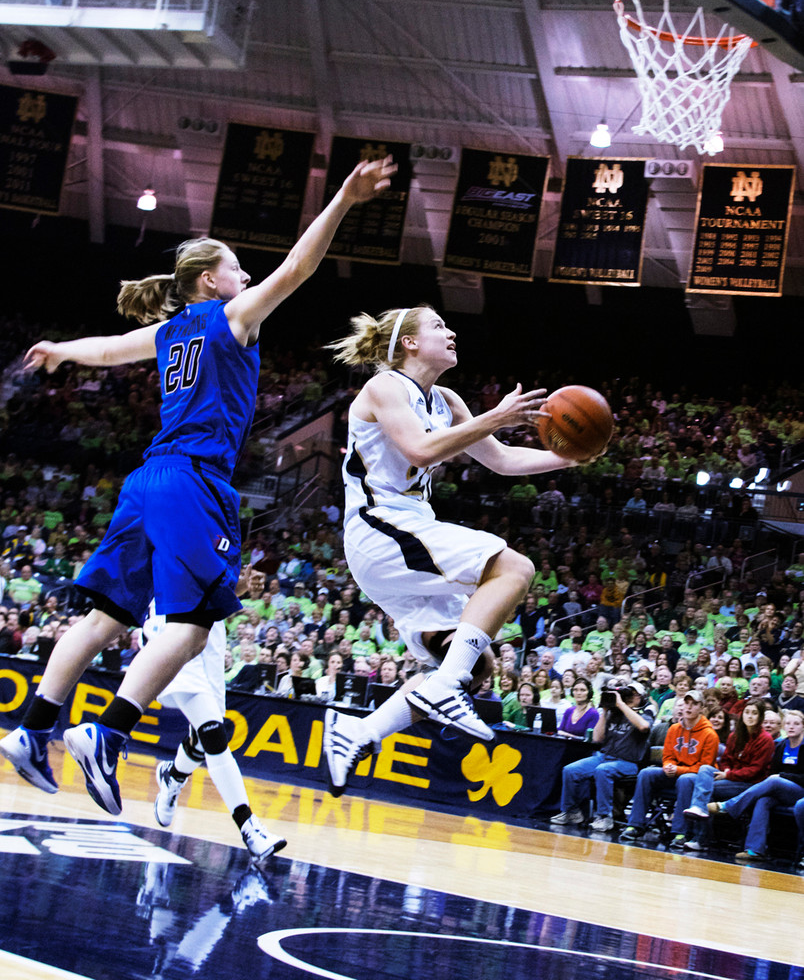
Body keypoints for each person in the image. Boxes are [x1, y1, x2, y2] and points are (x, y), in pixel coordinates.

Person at [0, 156, 396, 814]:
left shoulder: (168, 332)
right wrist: (345, 200)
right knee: (192, 627)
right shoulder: (227, 319)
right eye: (238, 269)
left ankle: (34, 728)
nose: (247, 278)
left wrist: (62, 350)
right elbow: (298, 267)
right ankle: (108, 733)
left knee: (103, 618)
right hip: (194, 481)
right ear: (213, 281)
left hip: (147, 479)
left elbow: (105, 349)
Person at [320, 305, 581, 795]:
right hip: (381, 525)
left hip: (405, 529)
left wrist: (567, 457)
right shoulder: (384, 387)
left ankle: (357, 732)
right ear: (409, 343)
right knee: (513, 568)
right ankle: (442, 689)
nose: (452, 330)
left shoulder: (446, 400)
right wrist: (494, 417)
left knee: (471, 664)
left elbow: (500, 460)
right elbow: (420, 450)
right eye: (438, 326)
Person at [146, 570, 286, 864]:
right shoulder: (177, 529)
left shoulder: (219, 532)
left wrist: (241, 584)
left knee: (200, 738)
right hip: (174, 628)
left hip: (208, 636)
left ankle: (172, 778)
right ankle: (249, 827)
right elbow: (189, 579)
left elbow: (214, 589)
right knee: (214, 735)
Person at [700, 708, 804, 861]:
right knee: (763, 800)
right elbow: (772, 772)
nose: (791, 726)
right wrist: (779, 778)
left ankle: (727, 806)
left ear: (803, 726)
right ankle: (755, 850)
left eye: (796, 724)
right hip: (781, 789)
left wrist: (783, 776)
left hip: (800, 791)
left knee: (775, 780)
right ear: (783, 726)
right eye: (788, 723)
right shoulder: (782, 746)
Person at [619, 690, 718, 849]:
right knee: (646, 773)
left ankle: (680, 832)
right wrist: (668, 766)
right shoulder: (674, 729)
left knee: (685, 780)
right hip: (674, 773)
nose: (689, 707)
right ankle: (635, 825)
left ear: (702, 708)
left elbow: (704, 768)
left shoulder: (709, 734)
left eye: (694, 704)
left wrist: (677, 770)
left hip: (695, 778)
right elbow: (668, 755)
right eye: (687, 703)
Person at [550, 680, 654, 833]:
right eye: (627, 694)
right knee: (570, 770)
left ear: (642, 697)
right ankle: (571, 812)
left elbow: (644, 727)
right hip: (605, 757)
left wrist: (621, 705)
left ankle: (605, 817)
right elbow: (597, 739)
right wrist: (605, 711)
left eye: (634, 694)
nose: (630, 697)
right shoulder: (614, 713)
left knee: (602, 770)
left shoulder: (645, 714)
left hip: (629, 762)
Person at [680, 697, 776, 848]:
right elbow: (725, 759)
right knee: (705, 770)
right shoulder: (735, 735)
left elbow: (755, 770)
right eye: (747, 712)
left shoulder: (766, 739)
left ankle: (701, 839)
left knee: (706, 789)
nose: (750, 716)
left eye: (754, 713)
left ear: (760, 717)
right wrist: (725, 770)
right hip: (730, 778)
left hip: (749, 784)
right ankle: (696, 812)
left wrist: (728, 775)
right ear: (742, 715)